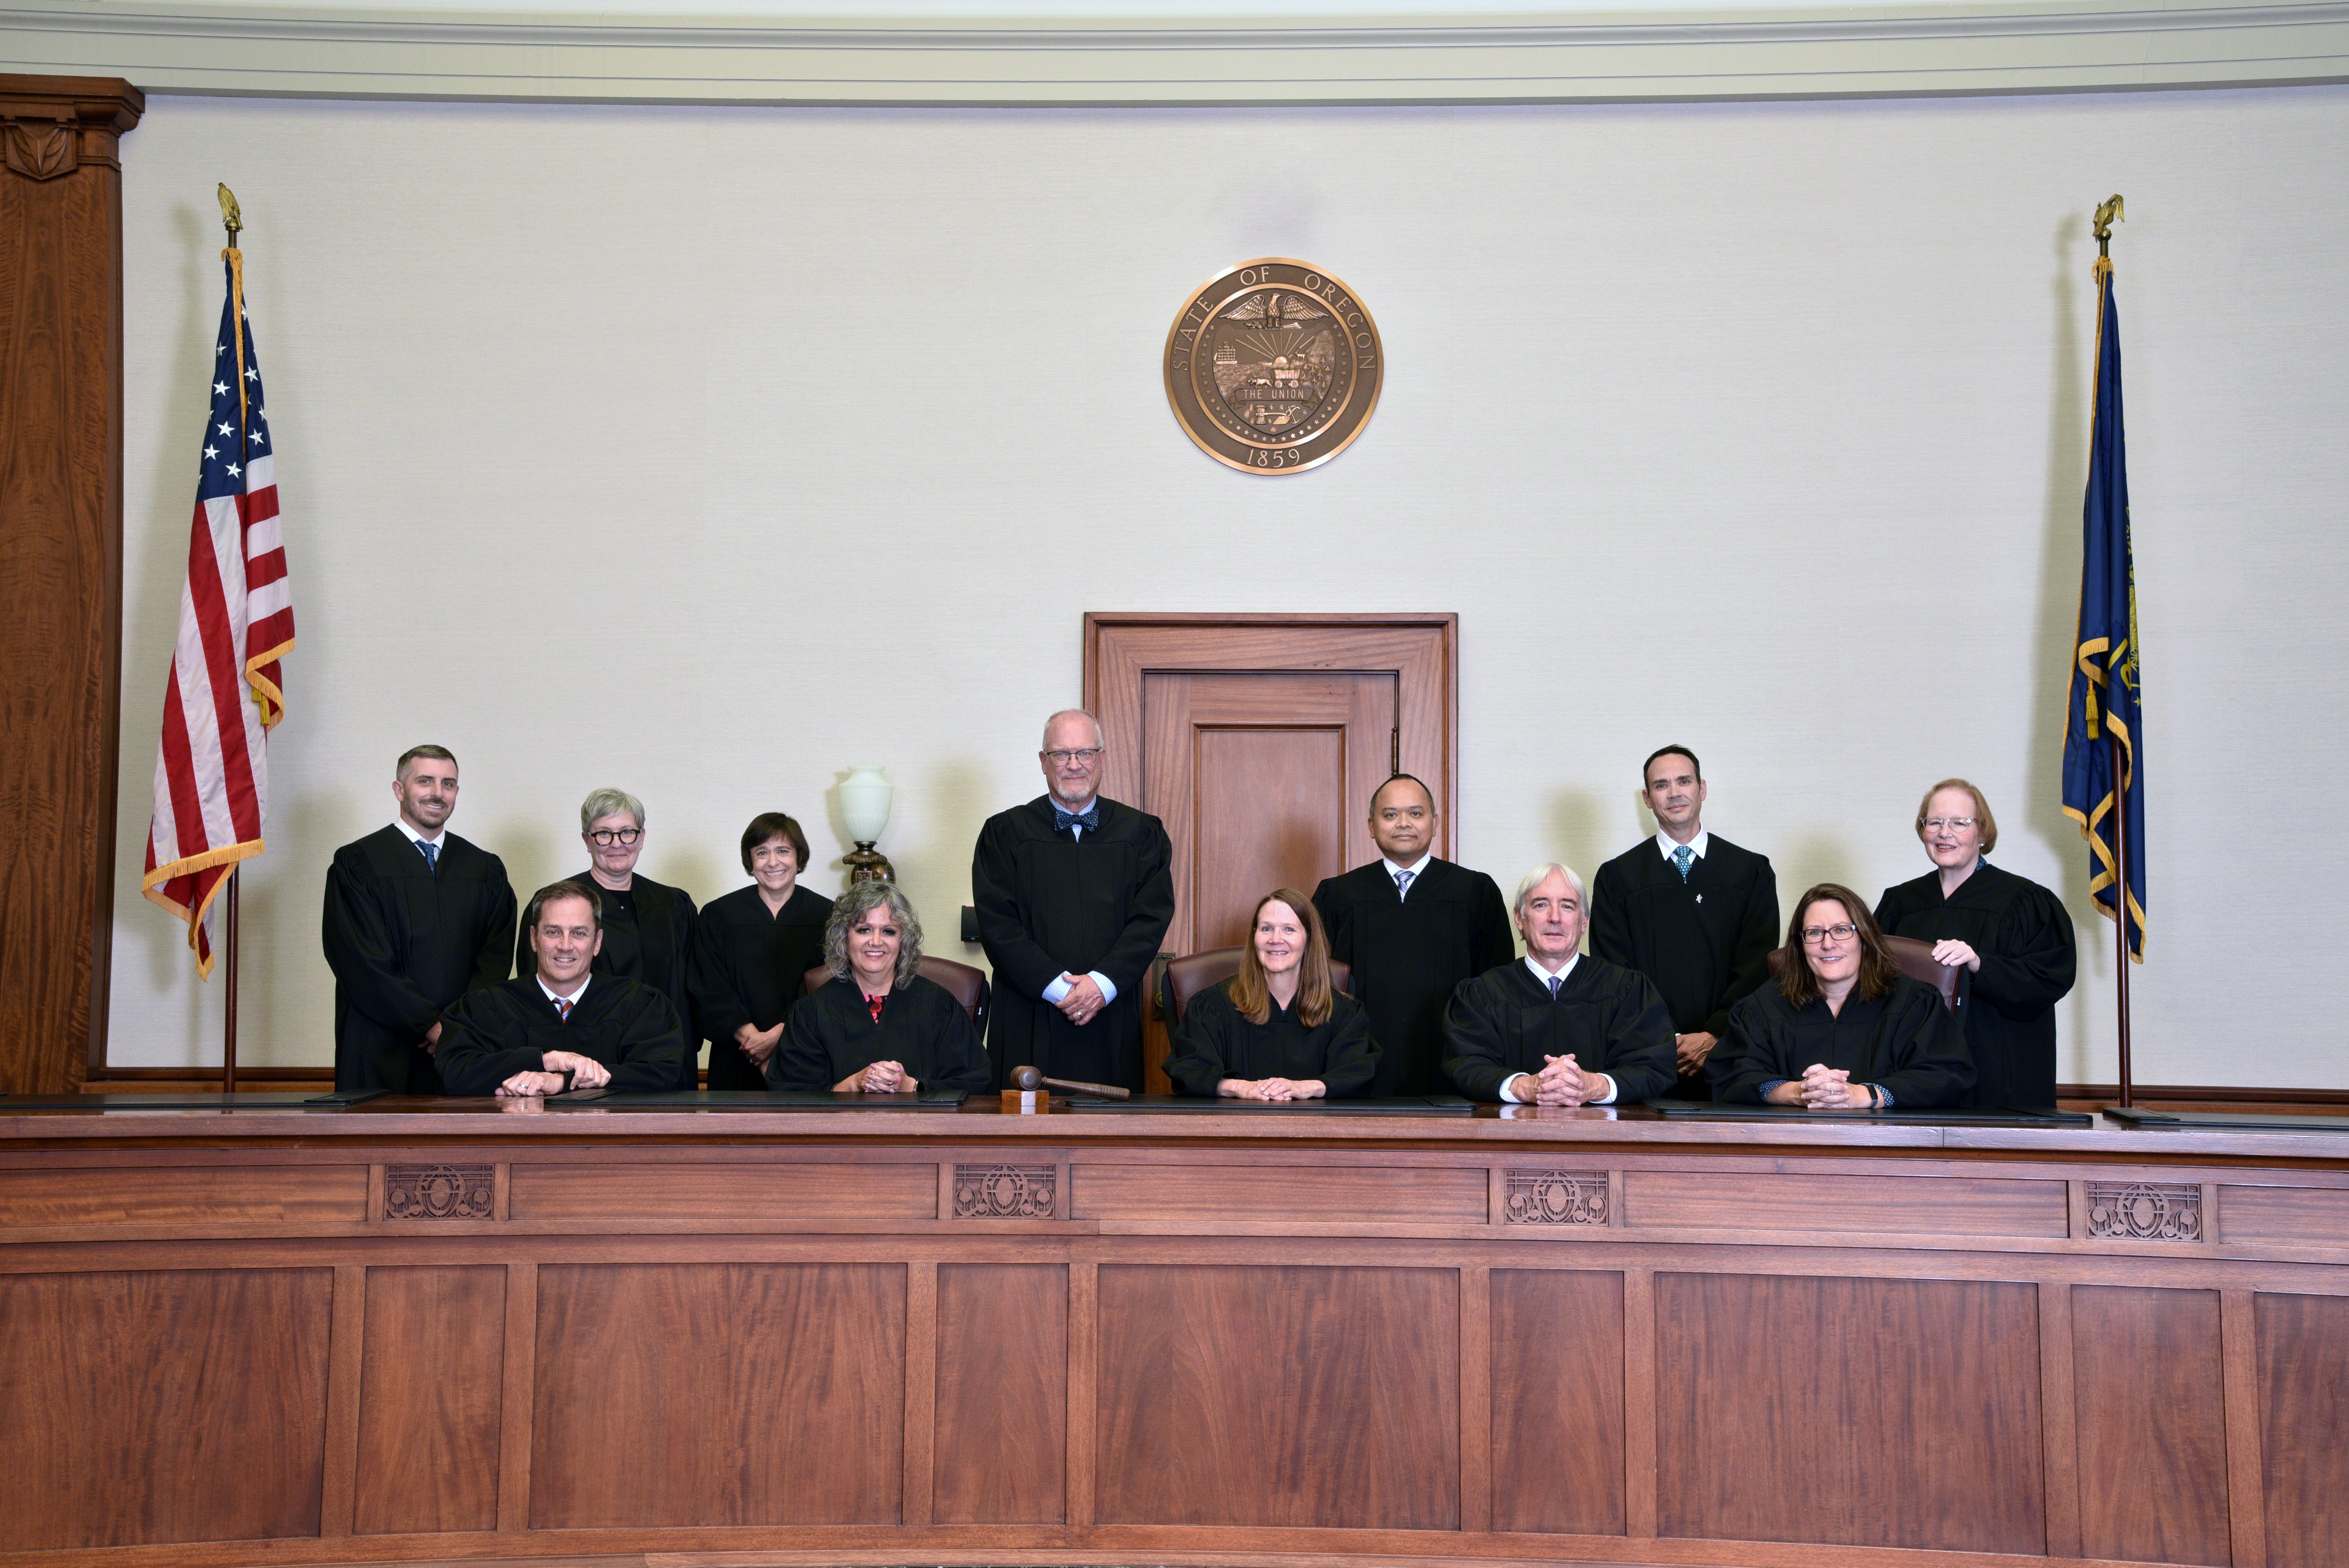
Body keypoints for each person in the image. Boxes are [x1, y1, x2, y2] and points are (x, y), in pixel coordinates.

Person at [972, 709, 1174, 1091]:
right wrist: (1059, 989)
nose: (1074, 764)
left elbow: (1150, 921)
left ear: (1102, 758)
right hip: (1027, 1012)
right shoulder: (1004, 833)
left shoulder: (1143, 833)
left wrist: (1101, 984)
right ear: (1043, 763)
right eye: (1061, 754)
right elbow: (998, 925)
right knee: (1021, 1139)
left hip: (1109, 1014)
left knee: (1108, 1143)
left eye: (1085, 752)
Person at [321, 745, 517, 1094]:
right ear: (400, 790)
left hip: (461, 1049)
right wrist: (431, 1026)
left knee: (458, 1146)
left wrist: (458, 1028)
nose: (437, 794)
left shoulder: (485, 869)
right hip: (379, 1047)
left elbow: (495, 957)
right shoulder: (358, 863)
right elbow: (363, 962)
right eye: (425, 781)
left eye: (449, 784)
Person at [1590, 745, 1780, 1098]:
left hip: (1734, 1054)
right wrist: (1668, 1040)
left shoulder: (1749, 871)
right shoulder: (1619, 878)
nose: (1674, 793)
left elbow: (1757, 965)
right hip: (1646, 1059)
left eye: (1684, 781)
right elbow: (1615, 971)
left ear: (1702, 789)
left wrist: (1715, 1034)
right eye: (1661, 786)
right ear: (1647, 799)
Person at [1875, 779, 2076, 1108]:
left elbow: (2049, 978)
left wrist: (1980, 964)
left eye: (1959, 823)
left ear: (1982, 833)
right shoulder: (1900, 902)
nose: (1945, 833)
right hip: (1914, 1070)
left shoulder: (2025, 902)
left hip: (1998, 1073)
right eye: (1935, 822)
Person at [1312, 774, 1514, 1096]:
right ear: (1371, 825)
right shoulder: (1338, 895)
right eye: (1390, 815)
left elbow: (1497, 984)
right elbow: (1316, 981)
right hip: (1355, 1059)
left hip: (1453, 1058)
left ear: (1435, 823)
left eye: (1416, 814)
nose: (1403, 823)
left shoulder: (1474, 891)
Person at [1711, 883, 1975, 1110]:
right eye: (1814, 933)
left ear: (1864, 937)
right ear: (1800, 946)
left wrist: (1864, 1095)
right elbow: (1730, 1074)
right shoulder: (1765, 1006)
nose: (1828, 944)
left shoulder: (1913, 1002)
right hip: (1789, 1151)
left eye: (1841, 930)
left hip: (1891, 1152)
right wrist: (1798, 1093)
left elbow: (1946, 1076)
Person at [1443, 864, 1678, 1105]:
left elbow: (1655, 1066)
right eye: (1541, 905)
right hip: (1511, 1138)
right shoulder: (1483, 994)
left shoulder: (1626, 989)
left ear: (1584, 921)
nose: (1555, 918)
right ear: (1519, 919)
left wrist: (1595, 1086)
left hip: (1607, 1138)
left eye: (1567, 906)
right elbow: (1465, 1066)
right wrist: (1523, 1086)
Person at [515, 788, 699, 1089]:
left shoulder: (674, 905)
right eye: (604, 834)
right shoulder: (556, 905)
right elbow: (535, 991)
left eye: (627, 833)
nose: (617, 844)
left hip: (666, 1064)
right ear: (588, 840)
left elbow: (693, 991)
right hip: (586, 1070)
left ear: (641, 837)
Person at [438, 881, 690, 1097]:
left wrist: (561, 1081)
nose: (565, 946)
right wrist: (547, 1060)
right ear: (534, 939)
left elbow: (660, 1075)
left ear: (597, 942)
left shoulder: (639, 1005)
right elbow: (455, 1072)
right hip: (513, 1146)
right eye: (553, 932)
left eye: (579, 933)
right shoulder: (487, 1006)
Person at [768, 881, 992, 1095]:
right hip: (840, 1133)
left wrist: (911, 1086)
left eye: (889, 931)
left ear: (903, 940)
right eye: (864, 930)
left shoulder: (940, 1006)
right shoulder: (811, 1012)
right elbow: (790, 1094)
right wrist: (853, 1085)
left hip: (921, 1132)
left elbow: (974, 1081)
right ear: (844, 938)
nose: (876, 941)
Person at [1163, 889, 1377, 1099]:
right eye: (1266, 929)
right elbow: (1188, 1070)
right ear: (1254, 937)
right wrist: (1240, 1088)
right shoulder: (1212, 1007)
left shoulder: (1344, 1014)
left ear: (1309, 940)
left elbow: (1358, 1074)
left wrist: (1306, 1088)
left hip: (1316, 1132)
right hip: (1234, 1130)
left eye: (1289, 930)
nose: (1276, 939)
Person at [687, 813, 834, 1090]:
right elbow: (708, 986)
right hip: (735, 1058)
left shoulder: (828, 916)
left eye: (783, 851)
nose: (773, 862)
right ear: (750, 861)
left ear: (798, 857)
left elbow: (829, 987)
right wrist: (751, 1039)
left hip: (806, 1056)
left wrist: (778, 1035)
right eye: (762, 852)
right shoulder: (719, 915)